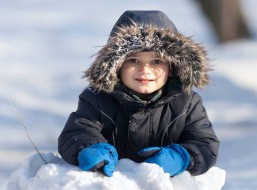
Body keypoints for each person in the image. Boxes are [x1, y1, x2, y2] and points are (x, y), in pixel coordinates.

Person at [58, 10, 219, 177]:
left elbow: (204, 143)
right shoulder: (97, 98)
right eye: (133, 60)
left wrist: (181, 157)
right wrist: (91, 148)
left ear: (172, 67)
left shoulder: (187, 103)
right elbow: (77, 132)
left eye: (156, 61)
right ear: (117, 65)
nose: (145, 70)